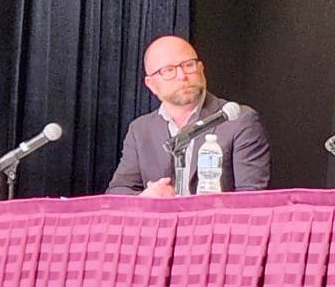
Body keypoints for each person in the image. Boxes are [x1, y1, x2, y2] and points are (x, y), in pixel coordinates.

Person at [108, 35, 271, 196]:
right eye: (168, 70)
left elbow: (251, 198)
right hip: (161, 221)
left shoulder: (238, 120)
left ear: (201, 69)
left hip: (217, 221)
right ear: (151, 85)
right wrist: (147, 199)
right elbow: (117, 191)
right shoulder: (140, 129)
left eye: (188, 65)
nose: (182, 76)